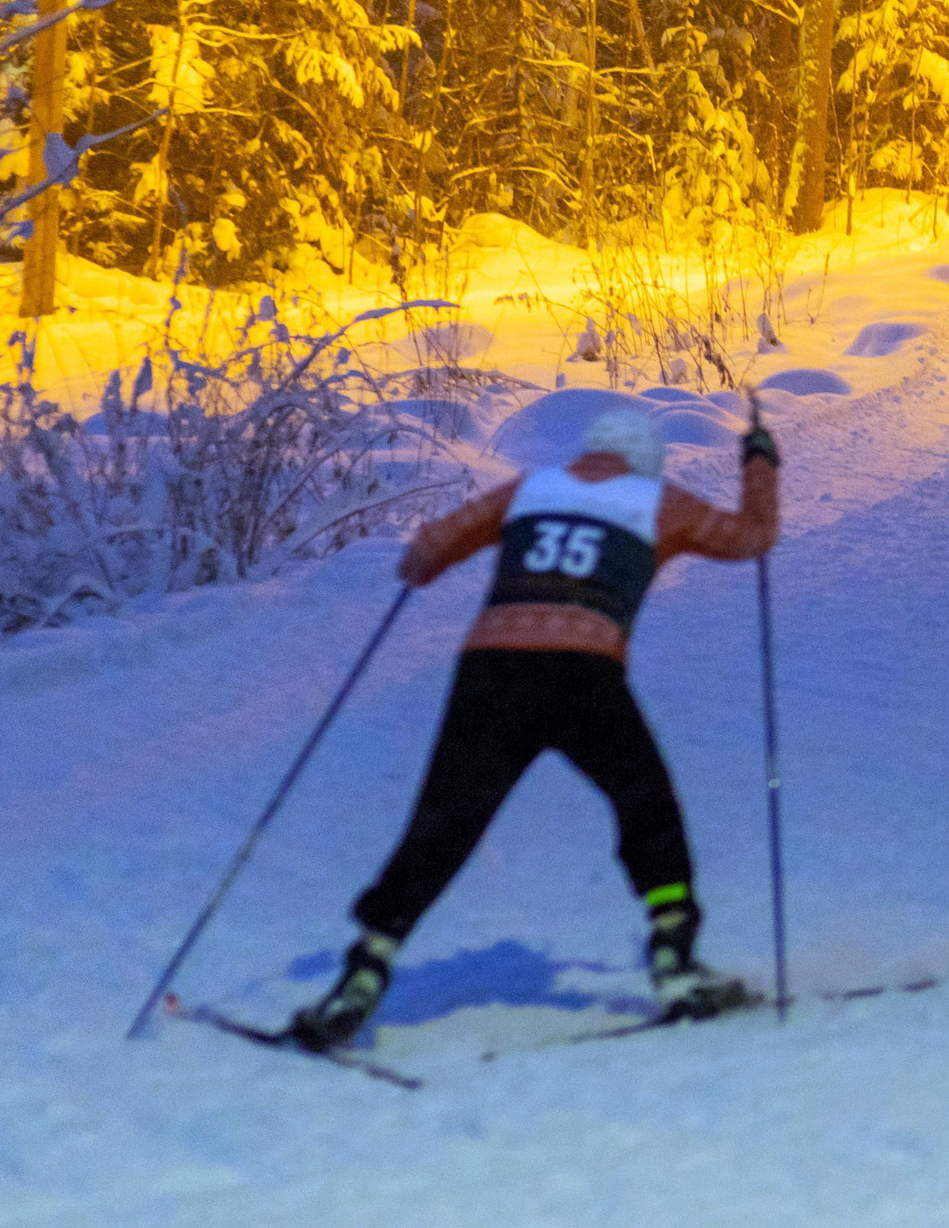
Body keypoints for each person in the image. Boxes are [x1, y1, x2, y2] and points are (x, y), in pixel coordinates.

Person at [287, 405, 780, 1050]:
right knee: (644, 804)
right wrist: (760, 462)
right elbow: (752, 537)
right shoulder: (659, 501)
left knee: (445, 819)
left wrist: (424, 567)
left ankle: (367, 965)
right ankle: (674, 957)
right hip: (585, 675)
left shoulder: (529, 487)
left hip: (489, 673)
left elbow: (428, 550)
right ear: (647, 461)